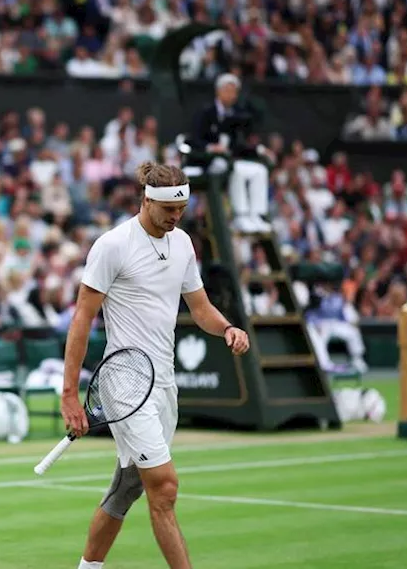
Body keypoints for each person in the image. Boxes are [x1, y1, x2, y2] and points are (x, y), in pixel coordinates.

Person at [60, 161, 251, 569]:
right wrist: (69, 396)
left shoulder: (182, 244)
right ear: (146, 200)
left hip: (163, 383)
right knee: (164, 488)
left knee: (127, 489)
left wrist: (228, 328)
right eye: (169, 210)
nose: (176, 217)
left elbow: (200, 309)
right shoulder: (112, 246)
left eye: (181, 210)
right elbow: (81, 320)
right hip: (123, 383)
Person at [192, 73, 273, 233]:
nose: (232, 95)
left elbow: (239, 146)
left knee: (259, 171)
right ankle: (240, 216)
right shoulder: (206, 112)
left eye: (234, 91)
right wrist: (211, 147)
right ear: (219, 91)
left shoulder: (237, 115)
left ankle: (256, 215)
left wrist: (260, 150)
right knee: (232, 169)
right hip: (208, 161)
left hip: (229, 159)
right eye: (228, 90)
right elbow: (194, 139)